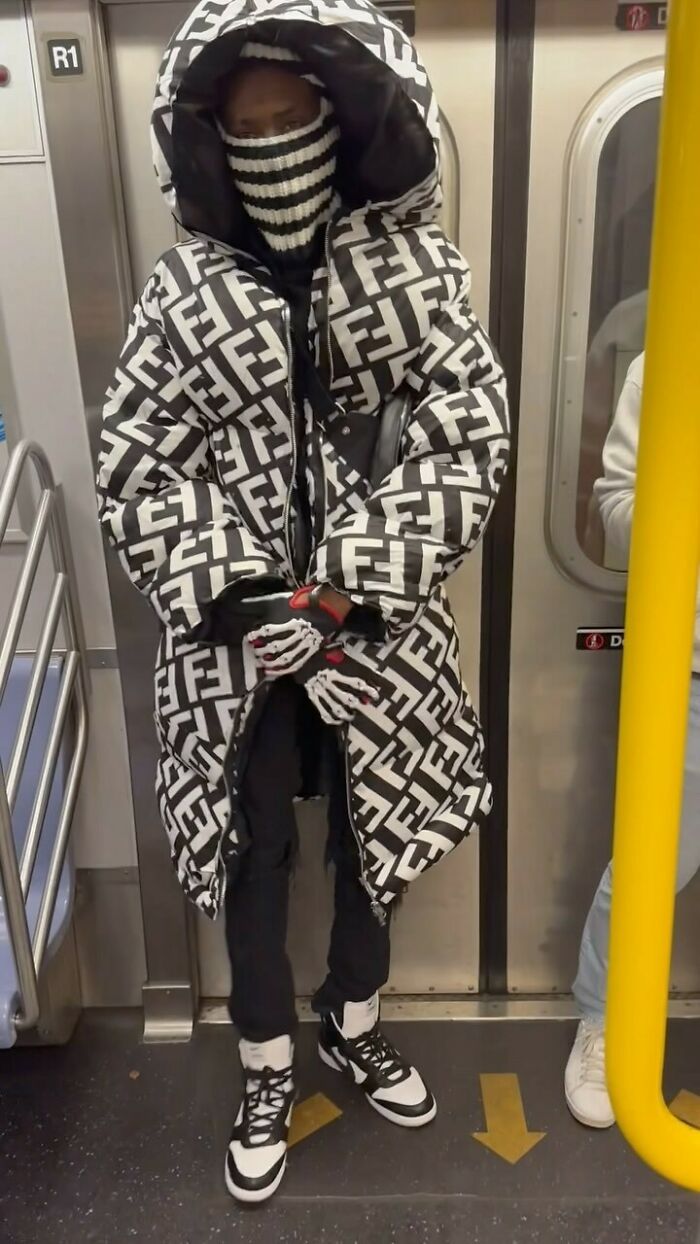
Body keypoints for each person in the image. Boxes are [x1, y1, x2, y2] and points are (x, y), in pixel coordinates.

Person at [96, 0, 509, 1204]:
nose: (270, 144)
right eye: (245, 127)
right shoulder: (181, 295)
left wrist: (351, 589)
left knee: (373, 844)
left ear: (341, 120)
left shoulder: (421, 271)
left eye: (292, 119)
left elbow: (463, 442)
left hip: (375, 637)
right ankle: (267, 1056)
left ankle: (354, 1016)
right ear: (210, 145)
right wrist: (235, 594)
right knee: (253, 850)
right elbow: (135, 454)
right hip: (235, 655)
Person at [565, 352, 700, 1128]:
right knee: (654, 860)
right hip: (688, 668)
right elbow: (611, 510)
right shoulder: (671, 364)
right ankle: (601, 1020)